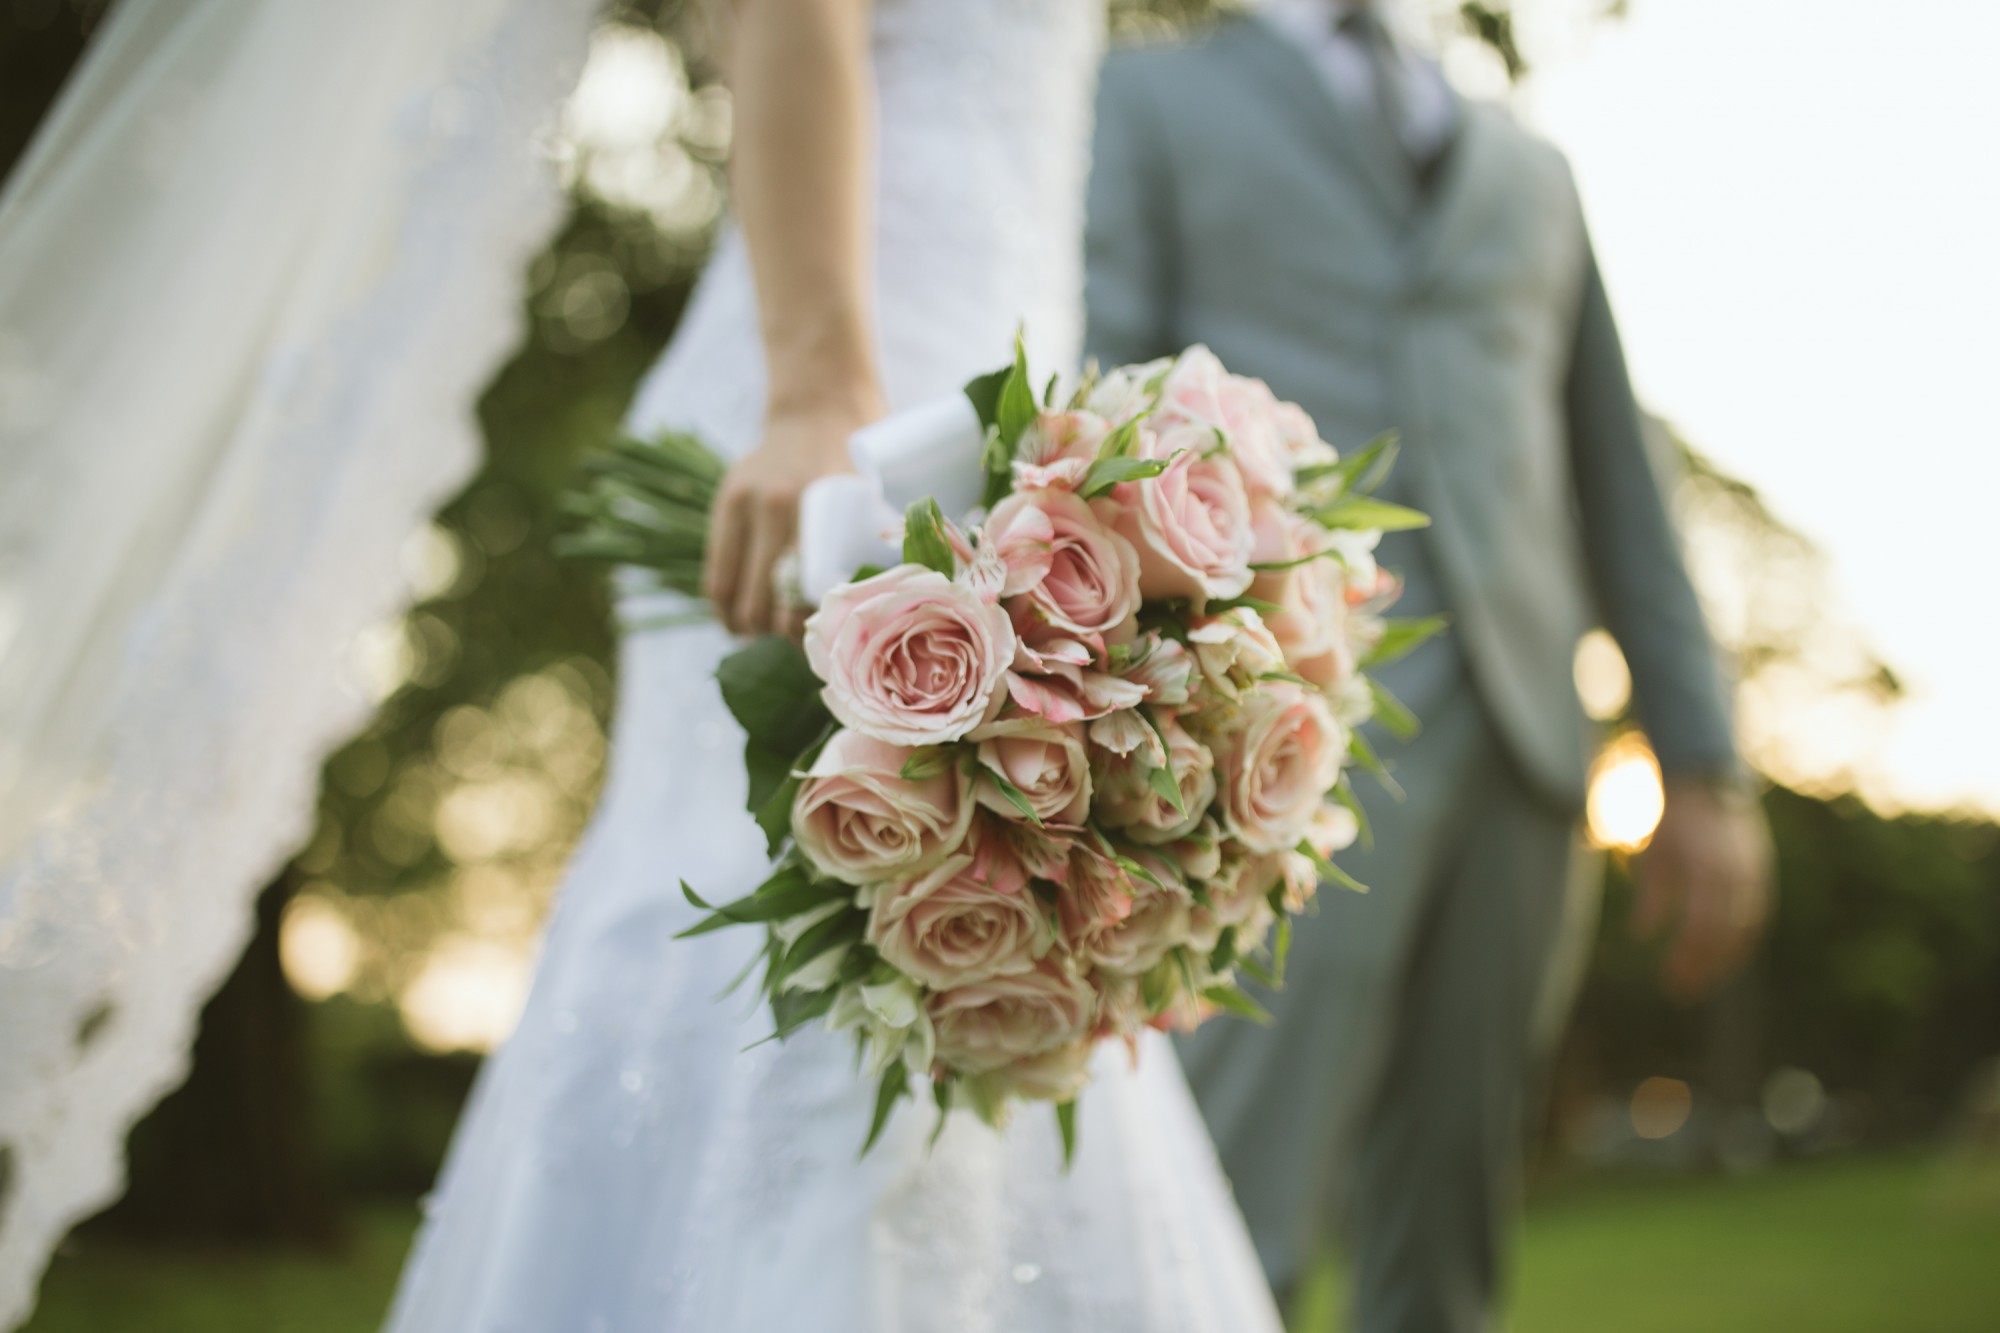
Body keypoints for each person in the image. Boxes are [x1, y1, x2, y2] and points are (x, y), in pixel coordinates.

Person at [384, 3, 1282, 1330]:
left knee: (938, 986)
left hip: (968, 393)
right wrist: (816, 381)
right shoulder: (838, 392)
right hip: (861, 410)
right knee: (808, 974)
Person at [1084, 2, 1773, 1329]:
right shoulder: (1148, 103)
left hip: (1527, 744)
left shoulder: (1533, 170)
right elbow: (1099, 385)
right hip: (1269, 734)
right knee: (1238, 1208)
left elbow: (1618, 479)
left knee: (1452, 1247)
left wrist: (1701, 757)